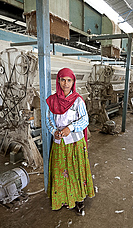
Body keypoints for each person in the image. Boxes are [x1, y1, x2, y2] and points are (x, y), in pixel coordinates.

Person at [45, 68, 95, 215]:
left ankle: (79, 200)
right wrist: (54, 131)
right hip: (59, 143)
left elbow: (85, 119)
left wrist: (71, 128)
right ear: (58, 81)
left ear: (73, 82)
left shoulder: (78, 100)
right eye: (62, 80)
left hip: (75, 143)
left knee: (75, 171)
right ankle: (61, 198)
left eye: (69, 80)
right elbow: (48, 119)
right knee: (61, 172)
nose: (65, 83)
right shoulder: (52, 100)